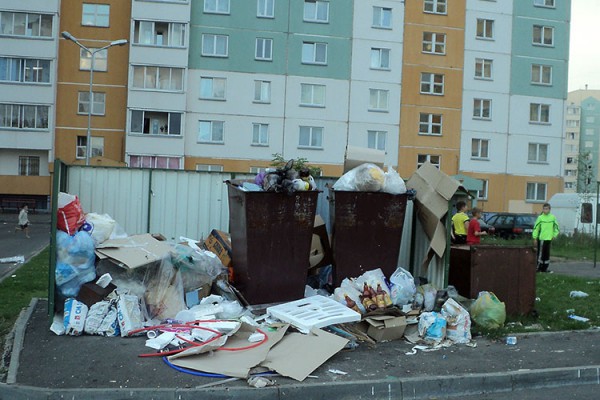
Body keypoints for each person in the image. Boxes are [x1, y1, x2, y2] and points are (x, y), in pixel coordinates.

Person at [532, 203, 559, 273]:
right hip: (542, 238)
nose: (545, 210)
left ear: (549, 209)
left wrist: (554, 235)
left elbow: (556, 227)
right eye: (544, 209)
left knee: (546, 254)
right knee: (541, 254)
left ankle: (545, 268)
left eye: (546, 209)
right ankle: (538, 268)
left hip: (549, 238)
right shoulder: (540, 218)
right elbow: (536, 228)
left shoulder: (553, 217)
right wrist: (534, 237)